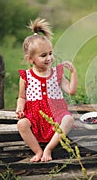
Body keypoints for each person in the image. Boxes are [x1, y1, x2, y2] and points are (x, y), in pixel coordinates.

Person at [16, 18, 78, 162]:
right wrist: (20, 108)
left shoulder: (57, 73)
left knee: (68, 119)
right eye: (43, 55)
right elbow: (22, 97)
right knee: (22, 124)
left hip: (57, 113)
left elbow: (71, 90)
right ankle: (38, 151)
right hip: (35, 115)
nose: (49, 58)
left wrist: (74, 73)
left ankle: (49, 148)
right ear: (30, 59)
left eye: (50, 53)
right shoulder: (26, 76)